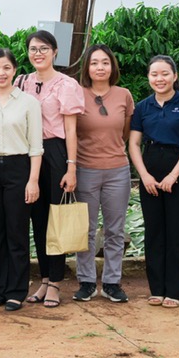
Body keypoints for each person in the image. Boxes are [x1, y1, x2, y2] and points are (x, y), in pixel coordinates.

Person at [16, 30, 84, 309]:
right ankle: (43, 278)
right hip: (29, 154)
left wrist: (71, 167)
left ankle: (55, 282)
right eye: (33, 49)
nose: (38, 53)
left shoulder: (66, 84)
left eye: (44, 48)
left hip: (56, 152)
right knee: (38, 219)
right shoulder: (22, 82)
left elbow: (70, 129)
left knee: (57, 219)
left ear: (55, 52)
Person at [128, 55, 179, 307]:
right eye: (154, 74)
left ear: (175, 76)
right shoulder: (142, 107)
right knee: (155, 232)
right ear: (148, 78)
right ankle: (156, 288)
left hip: (178, 170)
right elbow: (134, 144)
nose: (159, 79)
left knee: (178, 233)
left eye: (164, 74)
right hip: (150, 168)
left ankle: (176, 291)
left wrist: (174, 175)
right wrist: (144, 176)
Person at [0, 47, 42, 312]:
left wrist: (33, 180)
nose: (0, 73)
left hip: (19, 167)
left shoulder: (28, 103)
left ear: (14, 70)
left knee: (16, 232)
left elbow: (36, 146)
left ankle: (16, 291)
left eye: (6, 67)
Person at [73, 44, 135, 303]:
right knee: (85, 231)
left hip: (117, 171)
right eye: (95, 63)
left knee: (115, 230)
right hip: (84, 170)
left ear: (112, 67)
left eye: (105, 62)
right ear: (87, 67)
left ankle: (112, 282)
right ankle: (86, 281)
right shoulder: (77, 94)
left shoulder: (124, 95)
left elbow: (126, 133)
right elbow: (71, 132)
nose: (100, 67)